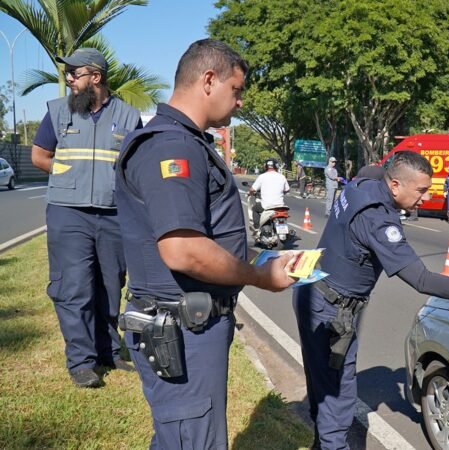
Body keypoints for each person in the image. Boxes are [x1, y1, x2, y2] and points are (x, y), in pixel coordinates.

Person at [114, 39, 298, 449]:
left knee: (183, 436)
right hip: (180, 331)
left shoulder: (187, 141)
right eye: (237, 90)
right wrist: (258, 276)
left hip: (191, 326)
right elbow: (183, 249)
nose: (239, 103)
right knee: (192, 439)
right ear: (209, 80)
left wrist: (258, 258)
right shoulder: (171, 146)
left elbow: (208, 234)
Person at [292, 151, 449, 449]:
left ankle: (322, 442)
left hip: (313, 291)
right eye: (420, 191)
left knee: (322, 384)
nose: (423, 198)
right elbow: (421, 280)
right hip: (330, 308)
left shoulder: (364, 183)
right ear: (394, 185)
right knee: (338, 398)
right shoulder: (378, 219)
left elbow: (372, 167)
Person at [30, 48, 142, 388]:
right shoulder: (57, 112)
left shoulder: (128, 116)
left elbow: (133, 167)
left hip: (112, 213)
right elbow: (39, 156)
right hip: (68, 212)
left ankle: (109, 351)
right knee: (73, 287)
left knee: (110, 285)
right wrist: (64, 173)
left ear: (95, 77)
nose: (68, 80)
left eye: (73, 74)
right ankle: (81, 361)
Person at [248, 158, 290, 231]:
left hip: (267, 205)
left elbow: (252, 189)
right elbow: (287, 190)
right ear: (276, 166)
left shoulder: (262, 176)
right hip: (280, 206)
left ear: (266, 166)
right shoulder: (282, 177)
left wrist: (250, 193)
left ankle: (257, 228)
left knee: (254, 209)